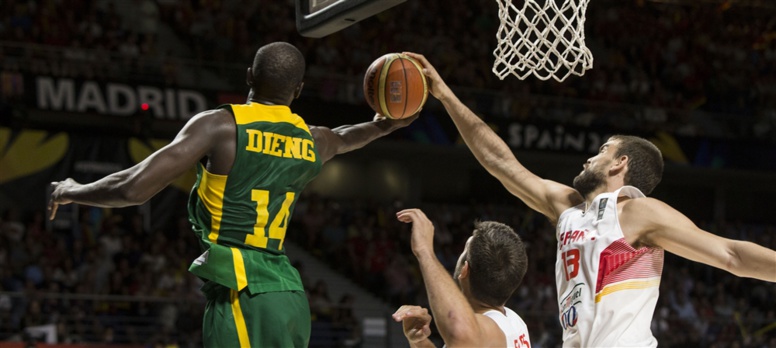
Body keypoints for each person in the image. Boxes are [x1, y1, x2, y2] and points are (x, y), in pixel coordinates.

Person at [47, 41, 417, 347]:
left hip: (244, 292)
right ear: (298, 90)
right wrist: (387, 123)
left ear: (249, 77)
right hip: (289, 297)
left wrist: (72, 190)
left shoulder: (221, 127)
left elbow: (133, 188)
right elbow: (350, 134)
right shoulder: (314, 140)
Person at [403, 52, 776, 347]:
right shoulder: (567, 207)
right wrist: (445, 95)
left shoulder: (638, 212)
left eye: (601, 150)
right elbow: (500, 162)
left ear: (620, 163)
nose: (589, 158)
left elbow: (731, 255)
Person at [392, 208, 531, 348]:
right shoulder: (514, 322)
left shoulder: (492, 328)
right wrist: (419, 342)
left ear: (464, 270)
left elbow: (459, 332)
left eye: (464, 250)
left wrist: (424, 251)